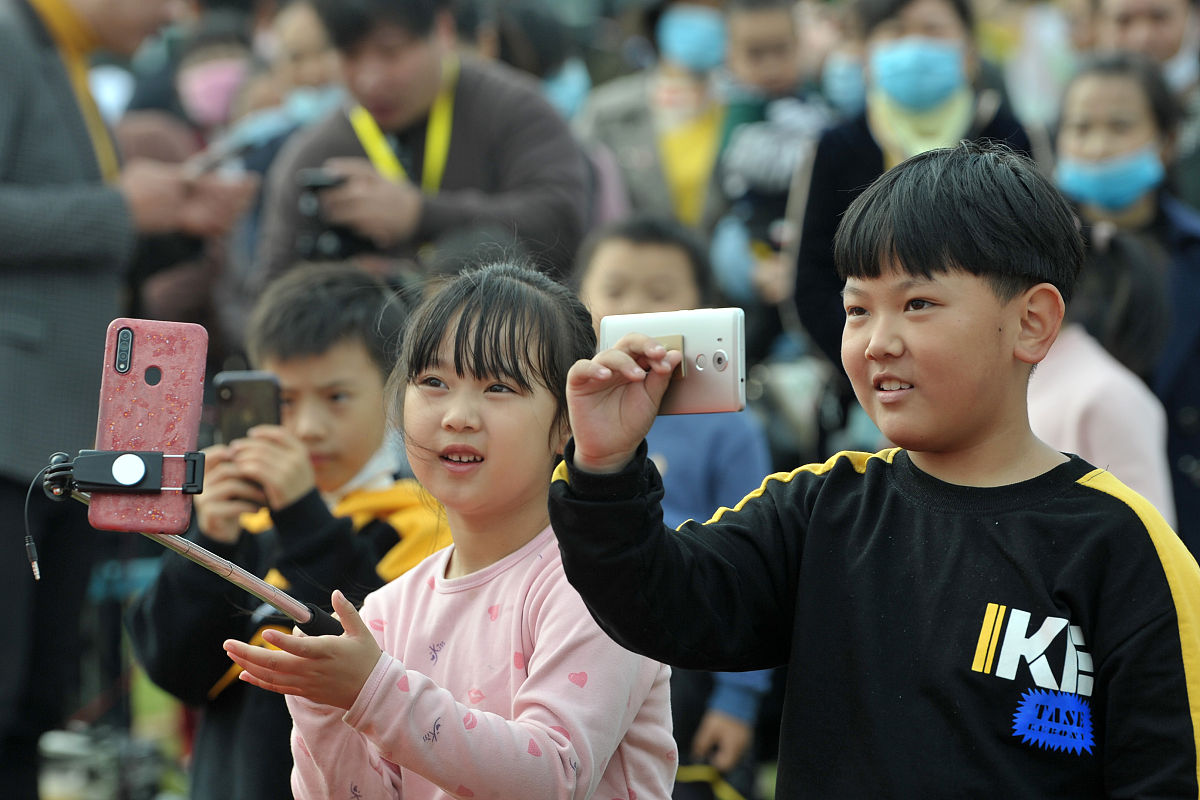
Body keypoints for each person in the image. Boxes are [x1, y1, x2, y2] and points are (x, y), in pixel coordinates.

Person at [547, 141, 1200, 797]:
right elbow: (654, 600)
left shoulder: (1122, 544)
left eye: (917, 304)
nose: (878, 341)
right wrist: (604, 469)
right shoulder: (819, 509)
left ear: (1032, 323)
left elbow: (1167, 774)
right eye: (859, 309)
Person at [224, 264, 676, 799]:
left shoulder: (600, 587)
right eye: (434, 383)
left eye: (500, 386)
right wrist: (321, 705)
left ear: (567, 423)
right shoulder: (386, 611)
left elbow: (554, 775)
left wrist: (373, 691)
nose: (459, 415)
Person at [0, 0, 257, 795]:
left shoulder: (58, 52)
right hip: (12, 433)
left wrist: (166, 218)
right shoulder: (10, 41)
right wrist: (121, 208)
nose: (177, 14)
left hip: (52, 441)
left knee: (35, 697)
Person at [127, 264, 452, 800]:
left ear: (394, 393)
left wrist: (303, 514)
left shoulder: (421, 525)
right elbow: (175, 670)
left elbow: (387, 656)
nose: (307, 427)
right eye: (285, 401)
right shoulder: (237, 524)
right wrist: (209, 541)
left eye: (337, 397)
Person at [573, 216, 774, 800]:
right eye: (615, 290)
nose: (635, 310)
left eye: (660, 295)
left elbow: (752, 574)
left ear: (701, 307)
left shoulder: (729, 429)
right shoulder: (561, 412)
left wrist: (737, 701)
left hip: (685, 673)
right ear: (579, 299)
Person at [253, 0, 589, 283]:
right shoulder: (315, 151)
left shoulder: (515, 109)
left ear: (442, 31)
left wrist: (420, 214)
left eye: (390, 52)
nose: (371, 79)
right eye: (351, 55)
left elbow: (562, 222)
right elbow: (272, 286)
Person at [791, 0, 1032, 372]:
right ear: (867, 56)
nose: (914, 46)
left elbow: (1034, 262)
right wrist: (875, 366)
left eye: (932, 30)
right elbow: (811, 280)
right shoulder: (836, 148)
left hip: (991, 370)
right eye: (896, 32)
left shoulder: (1011, 137)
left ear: (969, 52)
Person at [1053, 50, 1200, 556]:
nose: (1097, 146)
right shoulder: (1030, 258)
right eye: (1080, 127)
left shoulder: (1193, 252)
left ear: (1165, 142)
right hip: (1060, 509)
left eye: (1119, 126)